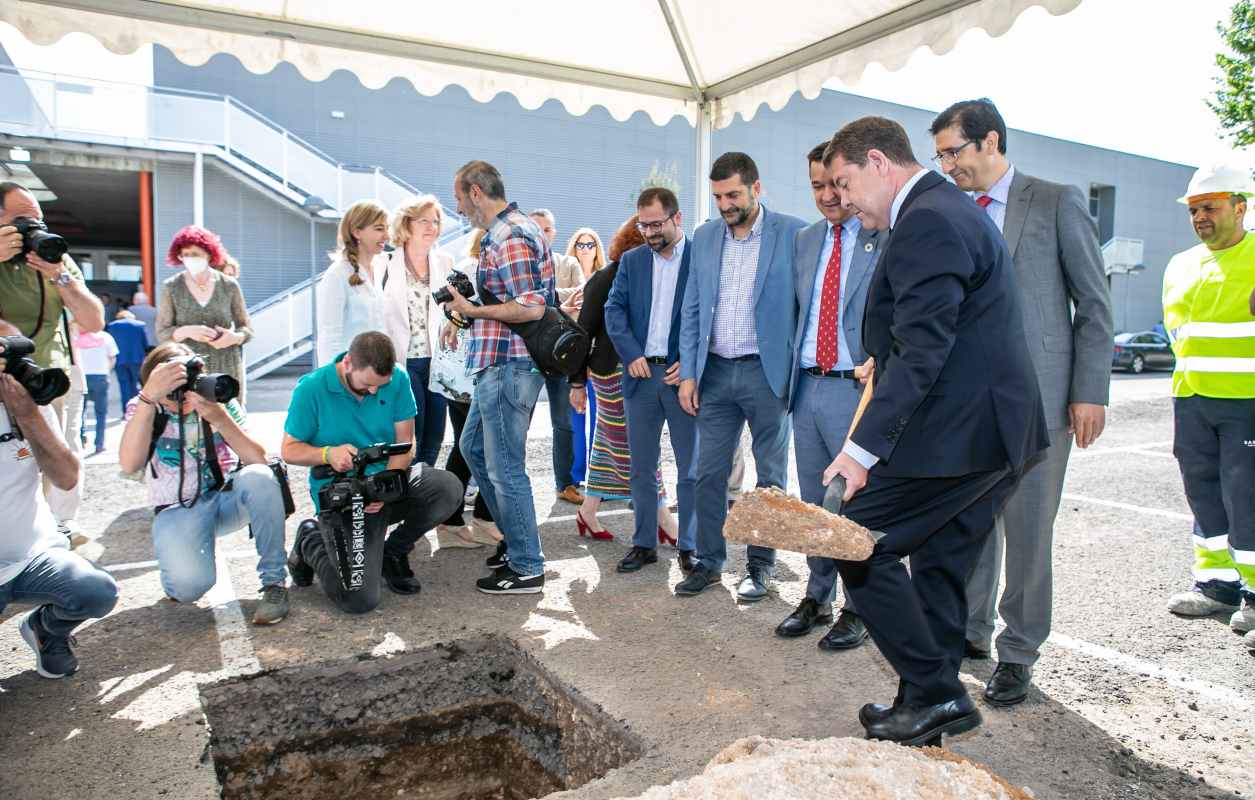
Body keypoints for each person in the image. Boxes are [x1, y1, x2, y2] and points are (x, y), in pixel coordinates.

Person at [822, 117, 1047, 745]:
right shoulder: (941, 209)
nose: (840, 197)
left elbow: (925, 348)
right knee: (943, 563)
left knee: (855, 540)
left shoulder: (927, 217)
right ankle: (921, 703)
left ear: (877, 162)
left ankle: (938, 692)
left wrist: (860, 450)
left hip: (962, 433)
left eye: (844, 182)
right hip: (996, 433)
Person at [929, 99, 1115, 707]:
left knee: (1029, 532)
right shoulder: (951, 211)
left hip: (1040, 403)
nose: (947, 165)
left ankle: (1019, 652)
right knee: (972, 525)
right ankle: (973, 635)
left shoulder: (1055, 200)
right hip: (970, 405)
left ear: (990, 142)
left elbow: (1093, 304)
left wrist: (1088, 391)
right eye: (939, 156)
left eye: (953, 152)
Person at [674, 152, 806, 601]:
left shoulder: (793, 233)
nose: (725, 205)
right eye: (717, 197)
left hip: (767, 376)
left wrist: (797, 373)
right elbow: (692, 308)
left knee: (770, 478)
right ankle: (710, 563)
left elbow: (804, 308)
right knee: (707, 474)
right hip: (714, 375)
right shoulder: (706, 236)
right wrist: (689, 373)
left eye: (733, 194)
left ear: (756, 188)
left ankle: (761, 566)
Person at [773, 142, 881, 650]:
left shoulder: (880, 236)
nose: (827, 195)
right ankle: (816, 595)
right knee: (815, 504)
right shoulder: (806, 239)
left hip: (854, 390)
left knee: (856, 503)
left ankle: (859, 607)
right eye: (817, 185)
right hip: (808, 384)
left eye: (835, 184)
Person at [282, 332, 462, 613]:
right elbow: (289, 450)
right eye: (367, 385)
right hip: (342, 495)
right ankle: (310, 539)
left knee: (447, 488)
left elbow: (406, 443)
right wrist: (327, 454)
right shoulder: (312, 389)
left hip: (385, 483)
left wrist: (386, 484)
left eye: (382, 385)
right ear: (348, 363)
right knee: (358, 600)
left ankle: (393, 552)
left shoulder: (398, 378)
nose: (375, 391)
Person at [118, 342, 290, 624]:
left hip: (226, 500)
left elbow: (257, 459)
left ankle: (275, 584)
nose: (184, 398)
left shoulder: (217, 401)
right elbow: (129, 464)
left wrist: (220, 419)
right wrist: (149, 399)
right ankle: (181, 563)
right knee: (188, 589)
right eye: (175, 389)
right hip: (177, 509)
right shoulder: (143, 406)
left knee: (260, 477)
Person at [444, 161, 554, 594]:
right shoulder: (505, 234)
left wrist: (472, 311)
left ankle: (527, 564)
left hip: (512, 365)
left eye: (457, 198)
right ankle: (517, 541)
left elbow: (530, 308)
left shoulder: (509, 236)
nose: (458, 207)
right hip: (498, 363)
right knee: (473, 449)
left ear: (475, 192)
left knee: (506, 467)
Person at [1160, 159, 1255, 653]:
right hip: (1192, 400)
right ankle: (1217, 586)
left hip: (1247, 403)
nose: (1200, 216)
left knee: (1249, 498)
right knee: (1203, 494)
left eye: (1210, 207)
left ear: (1240, 207)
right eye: (1194, 209)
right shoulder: (1180, 265)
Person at [0, 322, 118, 679]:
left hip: (30, 556)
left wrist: (28, 414)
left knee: (96, 591)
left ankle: (45, 630)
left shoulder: (21, 399)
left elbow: (66, 477)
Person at [0, 181, 104, 543]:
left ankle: (61, 526)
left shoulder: (54, 257)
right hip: (7, 379)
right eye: (24, 220)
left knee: (64, 452)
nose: (35, 228)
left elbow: (93, 321)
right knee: (13, 459)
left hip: (58, 375)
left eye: (39, 219)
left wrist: (59, 277)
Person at [569, 214, 675, 551]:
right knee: (636, 445)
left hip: (640, 371)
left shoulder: (653, 275)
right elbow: (583, 330)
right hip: (613, 371)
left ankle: (588, 510)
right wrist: (575, 383)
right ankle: (664, 519)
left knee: (608, 442)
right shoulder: (608, 276)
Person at [604, 190, 697, 574]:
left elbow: (710, 316)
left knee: (691, 467)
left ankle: (691, 544)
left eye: (657, 224)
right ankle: (644, 543)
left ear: (678, 218)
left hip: (682, 380)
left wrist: (690, 364)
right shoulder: (632, 260)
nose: (650, 232)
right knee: (641, 466)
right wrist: (631, 354)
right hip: (641, 377)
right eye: (644, 225)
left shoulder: (699, 259)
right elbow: (614, 309)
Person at [431, 230, 502, 551]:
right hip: (466, 375)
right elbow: (449, 308)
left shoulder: (475, 267)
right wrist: (459, 317)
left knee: (470, 448)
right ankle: (462, 520)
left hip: (463, 373)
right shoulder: (473, 268)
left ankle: (460, 520)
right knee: (477, 448)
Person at [379, 195, 451, 467]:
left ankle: (425, 484)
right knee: (411, 432)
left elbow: (452, 309)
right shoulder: (385, 263)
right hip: (403, 360)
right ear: (407, 224)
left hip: (437, 360)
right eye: (424, 221)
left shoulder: (444, 262)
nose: (432, 227)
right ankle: (407, 487)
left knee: (435, 433)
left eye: (436, 222)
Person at [156, 225, 254, 401]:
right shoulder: (171, 287)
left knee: (228, 424)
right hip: (187, 369)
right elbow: (162, 333)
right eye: (185, 255)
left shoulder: (229, 285)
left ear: (209, 254)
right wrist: (186, 331)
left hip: (227, 368)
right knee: (192, 424)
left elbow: (247, 328)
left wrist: (235, 337)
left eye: (196, 254)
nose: (190, 259)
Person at [529, 208, 584, 506]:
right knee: (519, 423)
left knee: (563, 421)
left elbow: (581, 294)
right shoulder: (522, 263)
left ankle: (566, 483)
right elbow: (538, 298)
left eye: (548, 229)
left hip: (559, 353)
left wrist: (556, 299)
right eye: (537, 228)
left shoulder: (568, 262)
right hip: (527, 354)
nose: (543, 234)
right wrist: (562, 299)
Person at [315, 200, 389, 367]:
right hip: (349, 376)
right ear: (357, 232)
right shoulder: (337, 274)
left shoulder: (377, 270)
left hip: (376, 372)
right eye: (379, 229)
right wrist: (334, 380)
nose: (387, 236)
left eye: (387, 228)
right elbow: (329, 336)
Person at [564, 227, 606, 491]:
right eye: (580, 244)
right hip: (572, 358)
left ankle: (597, 474)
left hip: (597, 356)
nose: (585, 249)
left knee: (599, 420)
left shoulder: (604, 278)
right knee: (575, 419)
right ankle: (576, 472)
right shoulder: (567, 278)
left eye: (591, 244)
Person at [73, 325, 116, 456]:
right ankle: (99, 444)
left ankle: (80, 440)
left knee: (80, 411)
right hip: (100, 376)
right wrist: (107, 372)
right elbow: (112, 357)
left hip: (81, 376)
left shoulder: (75, 338)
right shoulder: (106, 337)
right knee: (101, 413)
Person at [107, 309, 149, 414]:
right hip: (136, 358)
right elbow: (145, 344)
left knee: (124, 384)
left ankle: (126, 411)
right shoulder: (140, 325)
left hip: (120, 359)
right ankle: (136, 409)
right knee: (136, 384)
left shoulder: (112, 326)